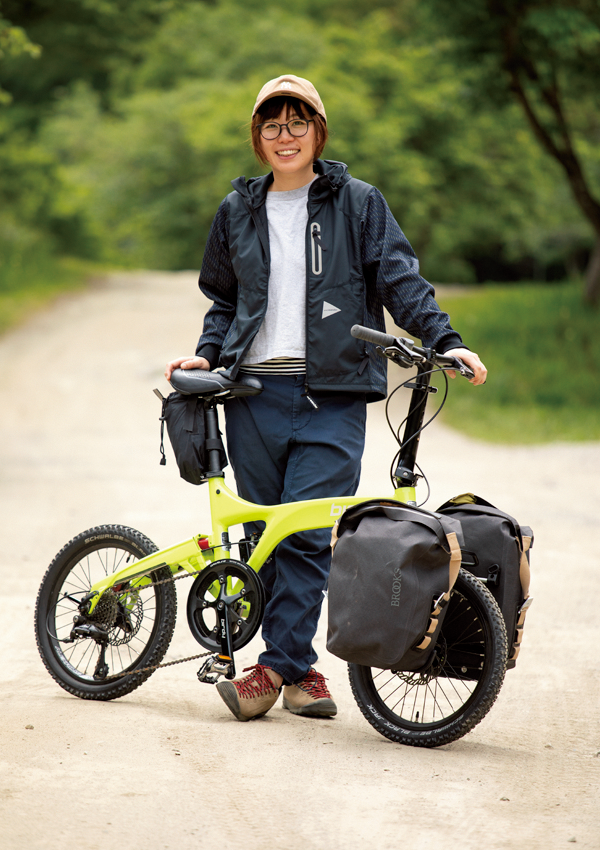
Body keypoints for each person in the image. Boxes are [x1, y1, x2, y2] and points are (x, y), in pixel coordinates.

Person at [165, 74, 487, 723]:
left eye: (297, 123)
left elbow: (399, 278)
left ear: (318, 132)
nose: (285, 136)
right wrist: (208, 351)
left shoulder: (358, 202)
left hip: (333, 393)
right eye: (272, 125)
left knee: (308, 533)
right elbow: (225, 300)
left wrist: (445, 340)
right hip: (251, 390)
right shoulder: (238, 209)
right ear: (258, 137)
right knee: (263, 533)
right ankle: (299, 668)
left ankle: (271, 672)